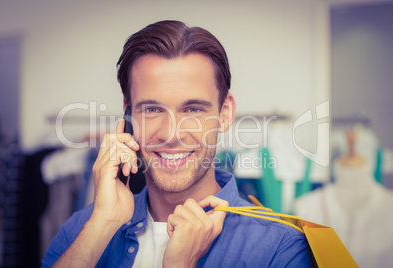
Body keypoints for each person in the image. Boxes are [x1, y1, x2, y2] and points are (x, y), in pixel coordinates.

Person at [42, 20, 313, 267]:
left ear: (226, 113)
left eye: (193, 110)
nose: (171, 134)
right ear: (128, 113)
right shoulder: (80, 230)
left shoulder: (281, 249)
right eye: (151, 109)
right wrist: (103, 224)